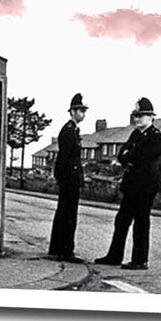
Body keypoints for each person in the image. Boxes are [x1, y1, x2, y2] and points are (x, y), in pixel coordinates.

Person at [95, 97, 161, 270]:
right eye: (136, 115)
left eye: (141, 115)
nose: (137, 119)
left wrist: (131, 155)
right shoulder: (135, 134)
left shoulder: (156, 137)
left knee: (141, 222)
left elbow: (143, 158)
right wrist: (131, 156)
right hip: (131, 185)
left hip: (145, 186)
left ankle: (140, 260)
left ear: (151, 117)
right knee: (121, 220)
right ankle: (114, 256)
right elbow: (121, 155)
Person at [48, 93, 88, 263]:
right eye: (80, 110)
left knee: (64, 213)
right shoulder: (69, 131)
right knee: (68, 215)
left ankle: (57, 248)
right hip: (69, 178)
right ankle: (66, 251)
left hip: (71, 177)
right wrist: (62, 176)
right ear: (72, 112)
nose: (83, 114)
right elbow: (63, 157)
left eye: (84, 111)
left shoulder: (73, 130)